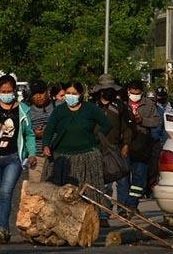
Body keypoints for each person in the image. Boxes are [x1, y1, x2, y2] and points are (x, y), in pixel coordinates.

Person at [0, 75, 37, 243]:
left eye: (9, 91)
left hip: (13, 158)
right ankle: (4, 229)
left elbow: (29, 134)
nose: (6, 94)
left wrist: (31, 153)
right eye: (3, 91)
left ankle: (2, 227)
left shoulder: (23, 110)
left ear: (15, 91)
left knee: (6, 192)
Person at [43, 81, 112, 204]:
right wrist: (46, 145)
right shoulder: (59, 110)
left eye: (74, 93)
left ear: (80, 94)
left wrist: (97, 137)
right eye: (68, 93)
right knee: (61, 196)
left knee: (87, 196)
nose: (70, 96)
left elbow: (107, 124)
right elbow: (49, 129)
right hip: (62, 158)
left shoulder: (90, 109)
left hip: (87, 156)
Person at [91, 74, 131, 227]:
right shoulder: (93, 106)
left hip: (117, 148)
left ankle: (122, 210)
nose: (107, 92)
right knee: (103, 184)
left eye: (110, 89)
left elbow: (127, 128)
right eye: (105, 89)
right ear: (100, 91)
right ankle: (103, 214)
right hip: (97, 148)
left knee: (122, 180)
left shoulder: (120, 106)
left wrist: (126, 144)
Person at [123, 80, 160, 210]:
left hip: (142, 144)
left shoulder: (148, 104)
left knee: (139, 178)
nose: (134, 95)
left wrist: (141, 120)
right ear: (128, 91)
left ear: (141, 93)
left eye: (137, 93)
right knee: (123, 179)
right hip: (124, 144)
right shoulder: (122, 103)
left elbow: (156, 121)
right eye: (132, 92)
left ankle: (132, 205)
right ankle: (123, 207)